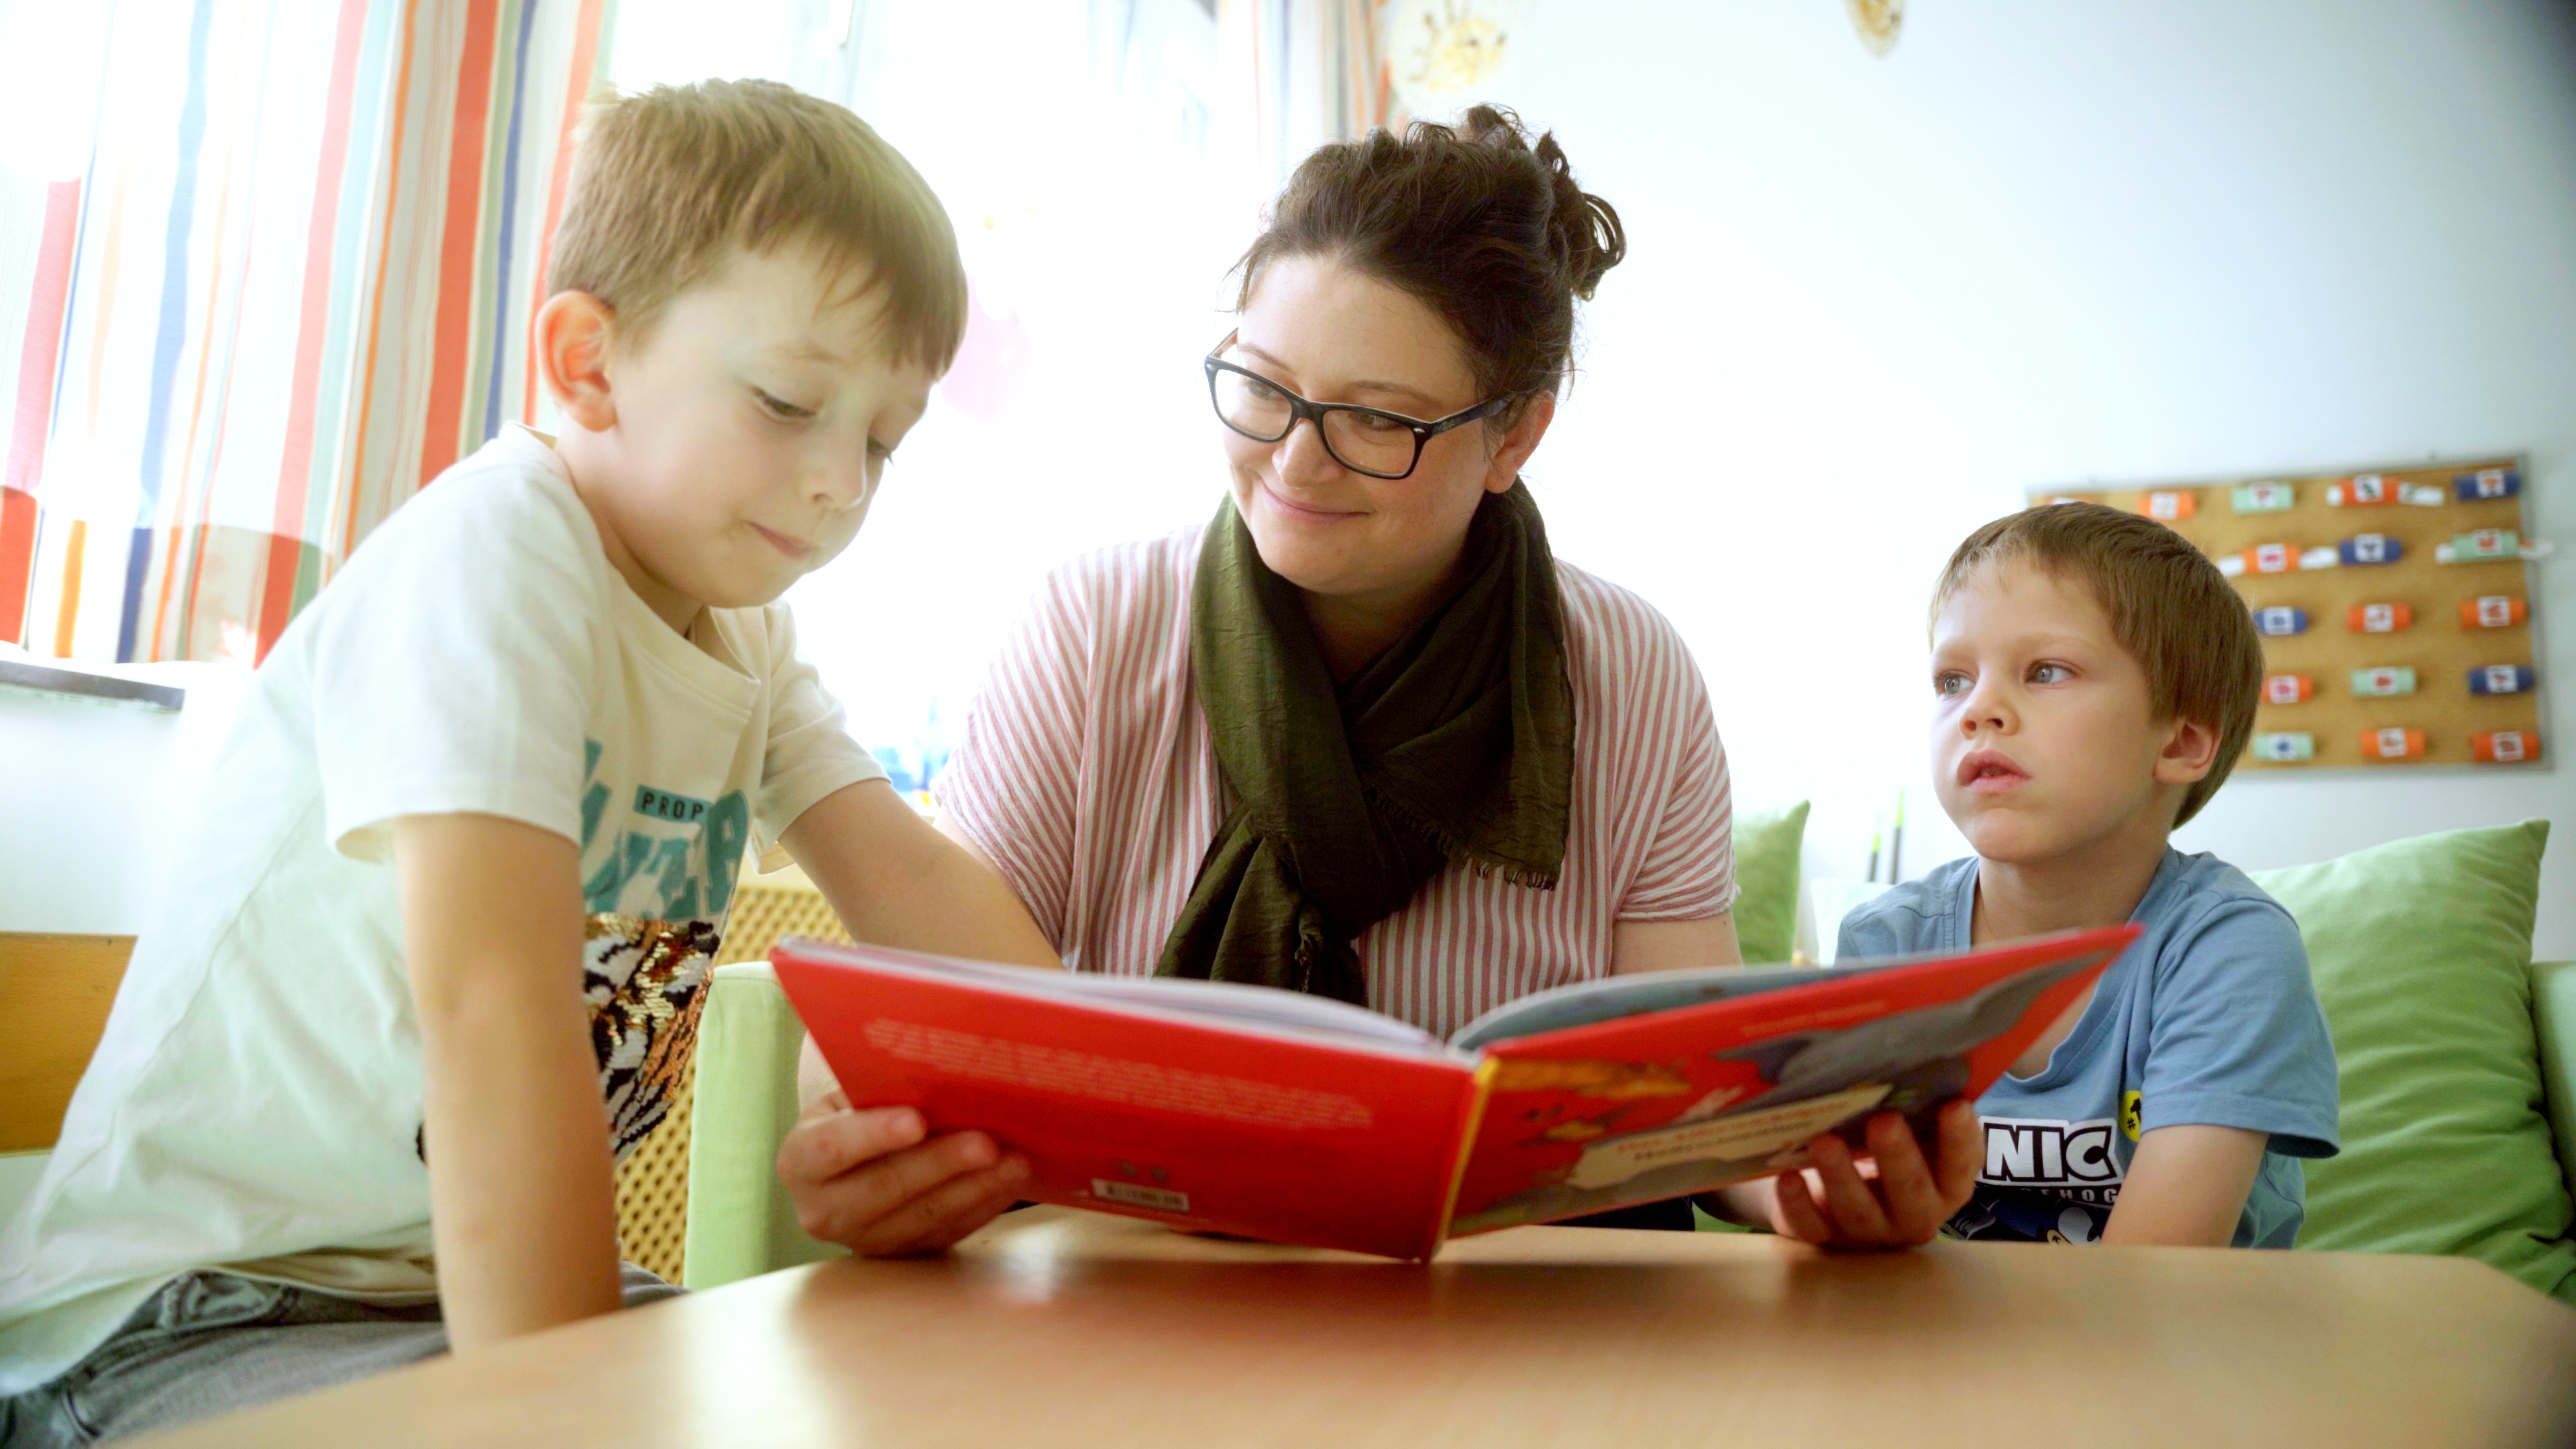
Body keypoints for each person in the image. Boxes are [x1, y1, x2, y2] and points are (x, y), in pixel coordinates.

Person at [0, 80, 1055, 1444]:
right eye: (791, 403)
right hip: (208, 1304)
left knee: (895, 1404)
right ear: (589, 361)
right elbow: (496, 1009)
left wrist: (1114, 1116)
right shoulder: (494, 559)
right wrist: (564, 1409)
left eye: (882, 442)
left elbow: (905, 872)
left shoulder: (745, 635)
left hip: (438, 1298)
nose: (841, 482)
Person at [775, 106, 1984, 1259]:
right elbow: (942, 1010)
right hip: (1145, 1289)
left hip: (1529, 1306)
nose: (1297, 459)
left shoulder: (1626, 672)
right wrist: (870, 1130)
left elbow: (1689, 1103)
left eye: (1376, 420)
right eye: (1259, 385)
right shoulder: (1094, 629)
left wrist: (1810, 1185)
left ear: (1514, 437)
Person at [1836, 502, 2340, 1247]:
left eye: (2045, 671)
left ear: (2183, 742)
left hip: (2169, 1346)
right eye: (1951, 681)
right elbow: (1853, 1226)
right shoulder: (1887, 940)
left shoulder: (2230, 949)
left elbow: (2151, 1275)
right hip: (1942, 1345)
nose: (1980, 710)